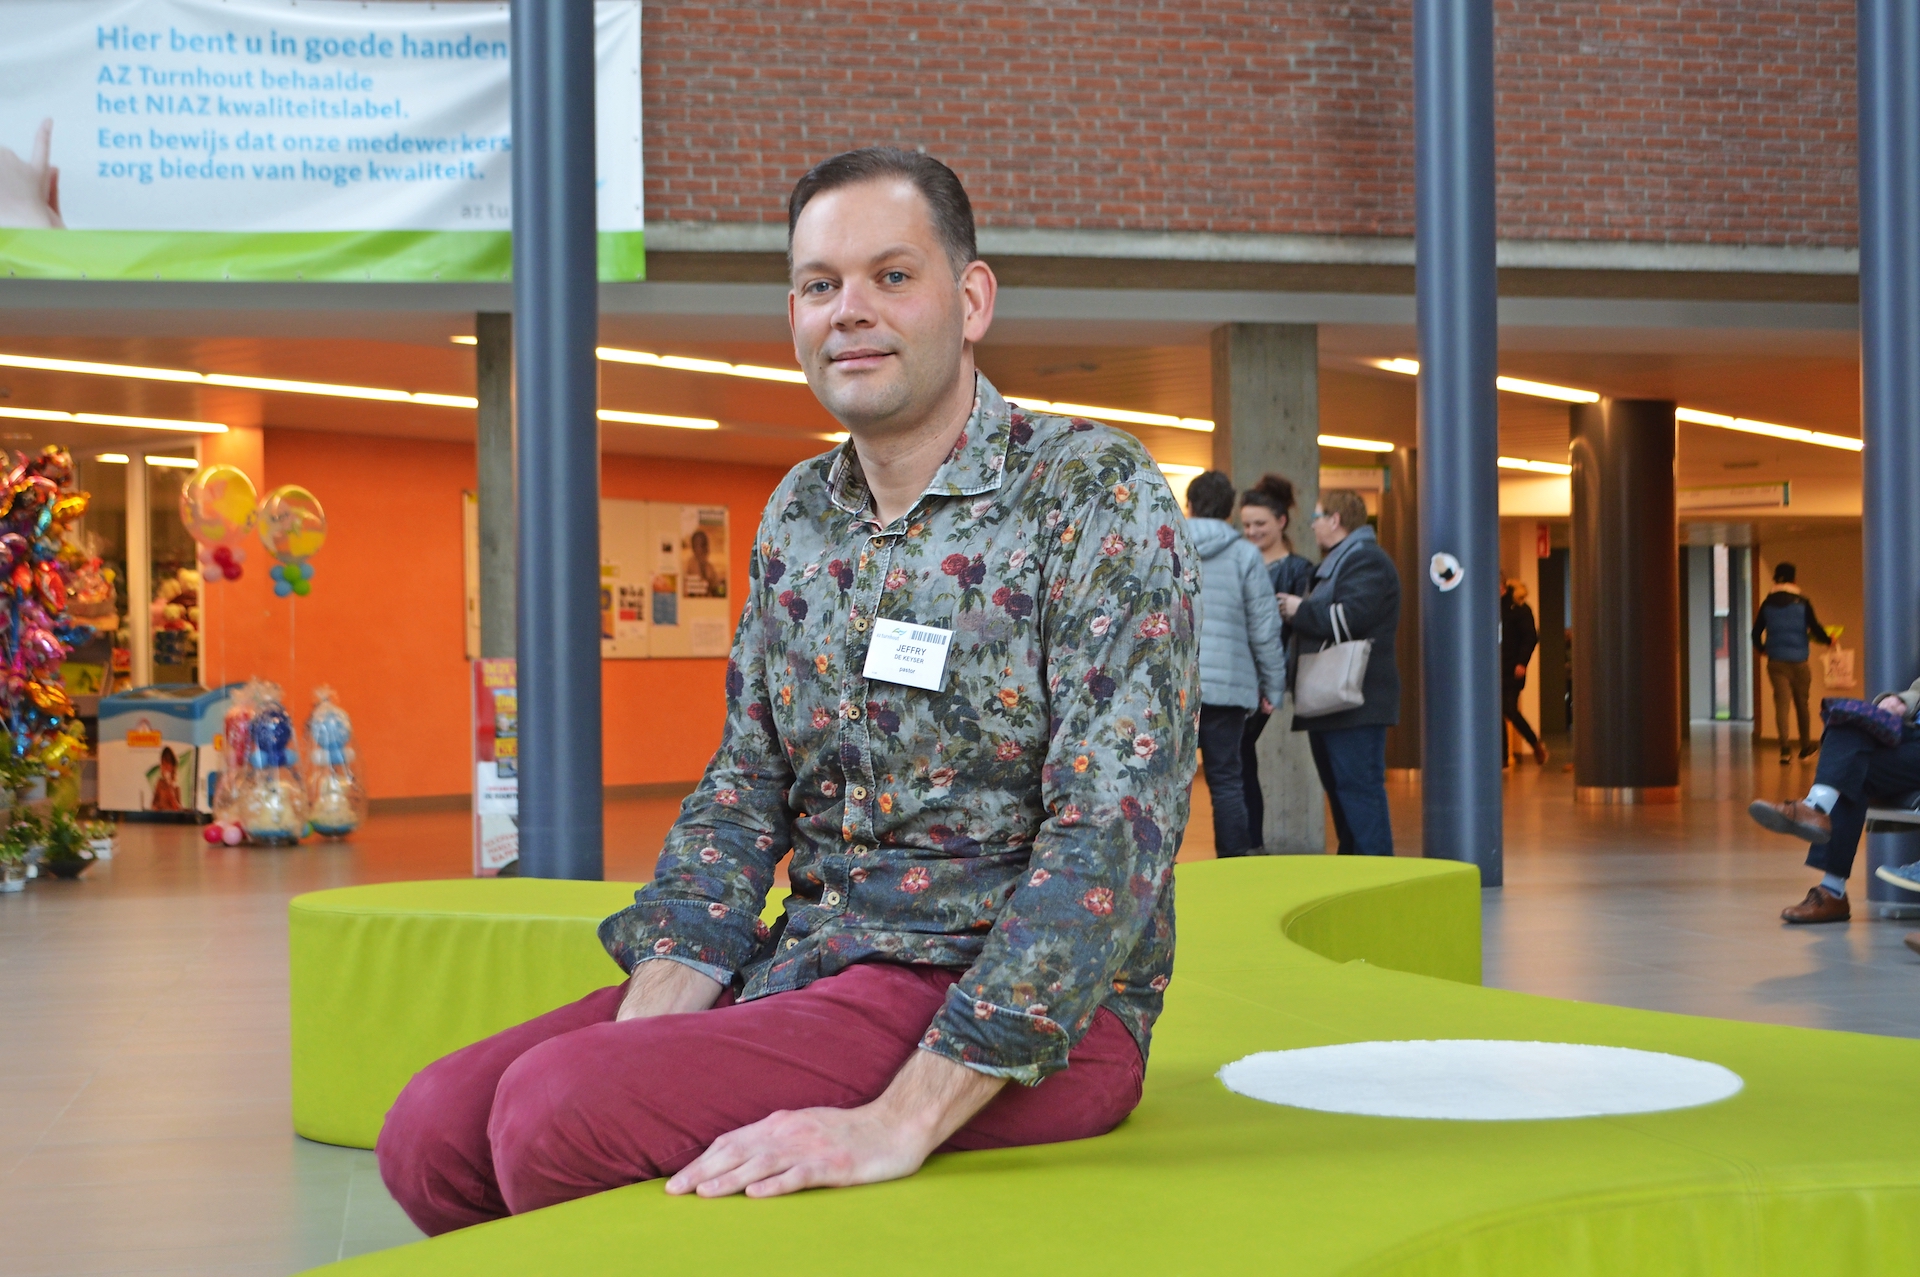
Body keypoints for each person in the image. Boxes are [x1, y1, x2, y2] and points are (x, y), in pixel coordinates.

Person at [377, 147, 1199, 1231]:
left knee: (553, 1115)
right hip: (815, 958)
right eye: (820, 285)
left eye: (892, 276)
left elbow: (1113, 834)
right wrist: (671, 985)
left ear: (972, 297)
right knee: (432, 1128)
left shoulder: (1093, 493)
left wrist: (901, 1118)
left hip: (1025, 1008)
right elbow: (745, 781)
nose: (850, 311)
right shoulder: (799, 513)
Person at [1279, 490, 1400, 856]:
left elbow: (1352, 619)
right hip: (1333, 701)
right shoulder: (1341, 561)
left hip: (1355, 701)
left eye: (1317, 516)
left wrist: (1300, 609)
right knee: (1343, 793)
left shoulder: (1366, 560)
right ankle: (1355, 876)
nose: (1313, 525)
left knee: (1359, 792)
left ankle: (1377, 881)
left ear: (1335, 520)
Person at [1749, 679, 1920, 923]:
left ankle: (1831, 885)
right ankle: (1816, 807)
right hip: (1912, 730)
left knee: (1849, 769)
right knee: (1847, 722)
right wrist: (1901, 701)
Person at [1185, 470, 1287, 858]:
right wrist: (1272, 687)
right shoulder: (1245, 554)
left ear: (1189, 505)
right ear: (1231, 510)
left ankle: (1162, 871)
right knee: (1227, 781)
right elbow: (1264, 628)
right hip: (1227, 689)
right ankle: (1232, 867)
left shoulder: (1164, 543)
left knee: (1169, 783)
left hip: (1172, 686)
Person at [1235, 474, 1314, 851]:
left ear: (1281, 522)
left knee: (1239, 753)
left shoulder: (1298, 569)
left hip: (1266, 677)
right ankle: (1250, 843)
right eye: (1246, 524)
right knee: (1239, 757)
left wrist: (1273, 682)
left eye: (1260, 524)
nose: (1252, 531)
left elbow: (1300, 629)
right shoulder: (1237, 560)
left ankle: (1251, 844)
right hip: (1233, 673)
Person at [1752, 562, 1833, 764]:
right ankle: (1805, 747)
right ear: (1794, 579)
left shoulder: (1767, 604)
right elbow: (1814, 627)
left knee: (1781, 705)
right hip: (1799, 661)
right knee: (1801, 704)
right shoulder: (1803, 602)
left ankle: (1785, 750)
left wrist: (1762, 649)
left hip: (1776, 661)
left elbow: (1755, 633)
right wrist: (1828, 640)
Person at [1501, 580, 1547, 766]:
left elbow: (1530, 637)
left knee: (1509, 708)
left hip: (1513, 667)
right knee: (1496, 712)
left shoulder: (1519, 608)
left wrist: (1522, 662)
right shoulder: (1488, 606)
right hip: (1494, 668)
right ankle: (1502, 758)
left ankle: (1535, 743)